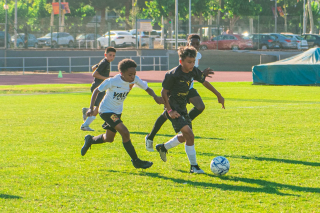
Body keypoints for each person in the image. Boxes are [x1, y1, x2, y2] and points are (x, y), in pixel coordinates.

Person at [81, 59, 163, 169]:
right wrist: (91, 108)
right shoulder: (112, 81)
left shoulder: (134, 80)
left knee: (109, 138)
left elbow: (147, 89)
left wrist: (155, 97)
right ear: (121, 73)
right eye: (130, 74)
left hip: (117, 112)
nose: (132, 77)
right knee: (125, 132)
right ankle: (136, 161)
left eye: (134, 74)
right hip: (106, 110)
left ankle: (90, 140)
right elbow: (96, 91)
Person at [155, 46, 225, 173]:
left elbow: (204, 82)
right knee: (190, 135)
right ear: (181, 61)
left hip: (182, 108)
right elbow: (163, 93)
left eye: (193, 62)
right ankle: (194, 167)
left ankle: (163, 147)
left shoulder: (193, 71)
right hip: (173, 109)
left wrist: (218, 95)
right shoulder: (173, 74)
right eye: (189, 62)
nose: (192, 64)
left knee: (186, 137)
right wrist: (170, 111)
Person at [145, 34, 208, 152]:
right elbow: (179, 75)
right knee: (167, 112)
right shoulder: (184, 56)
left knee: (200, 106)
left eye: (197, 44)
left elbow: (195, 73)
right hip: (177, 89)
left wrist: (202, 75)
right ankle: (151, 136)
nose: (195, 46)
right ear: (187, 43)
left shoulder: (197, 55)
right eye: (192, 43)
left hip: (188, 88)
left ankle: (182, 123)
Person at [81, 47, 116, 131]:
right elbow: (94, 74)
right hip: (98, 87)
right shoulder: (104, 62)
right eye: (110, 55)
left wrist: (98, 67)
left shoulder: (104, 61)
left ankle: (87, 112)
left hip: (100, 86)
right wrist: (106, 78)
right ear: (105, 55)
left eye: (113, 56)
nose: (112, 57)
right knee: (98, 107)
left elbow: (93, 68)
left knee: (100, 106)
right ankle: (85, 125)